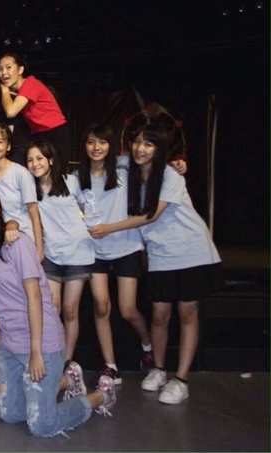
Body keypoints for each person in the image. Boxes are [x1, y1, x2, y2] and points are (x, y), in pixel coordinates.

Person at [0, 186, 116, 437]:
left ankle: (101, 395)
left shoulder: (17, 243)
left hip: (40, 343)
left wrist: (36, 351)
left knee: (41, 425)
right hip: (9, 345)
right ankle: (66, 380)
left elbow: (34, 297)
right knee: (9, 414)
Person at [124, 124, 222, 404]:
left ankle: (181, 380)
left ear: (159, 150)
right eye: (137, 142)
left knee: (187, 313)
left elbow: (152, 215)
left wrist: (108, 229)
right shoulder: (128, 172)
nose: (140, 149)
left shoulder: (169, 175)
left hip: (190, 248)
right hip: (160, 253)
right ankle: (158, 369)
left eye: (148, 144)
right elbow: (104, 159)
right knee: (159, 315)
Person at [75, 123, 153, 384]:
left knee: (128, 309)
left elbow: (150, 159)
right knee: (101, 305)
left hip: (126, 246)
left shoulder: (124, 168)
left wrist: (178, 163)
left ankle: (147, 346)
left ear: (111, 145)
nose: (96, 147)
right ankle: (110, 366)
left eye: (102, 141)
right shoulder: (76, 178)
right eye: (90, 142)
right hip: (94, 250)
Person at [25, 140, 94, 365]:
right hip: (51, 255)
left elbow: (87, 208)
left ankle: (67, 361)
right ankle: (53, 356)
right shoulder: (30, 189)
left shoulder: (71, 181)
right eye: (30, 160)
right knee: (52, 309)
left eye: (39, 158)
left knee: (70, 309)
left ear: (51, 160)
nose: (35, 164)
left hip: (78, 254)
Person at [0, 123, 43, 261]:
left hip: (22, 238)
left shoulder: (20, 173)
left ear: (8, 146)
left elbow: (34, 215)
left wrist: (39, 251)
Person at [0, 53, 70, 164]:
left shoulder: (30, 83)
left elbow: (11, 112)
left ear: (20, 70)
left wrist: (4, 91)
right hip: (40, 135)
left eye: (8, 67)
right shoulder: (18, 91)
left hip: (55, 133)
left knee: (55, 171)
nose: (3, 72)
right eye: (0, 69)